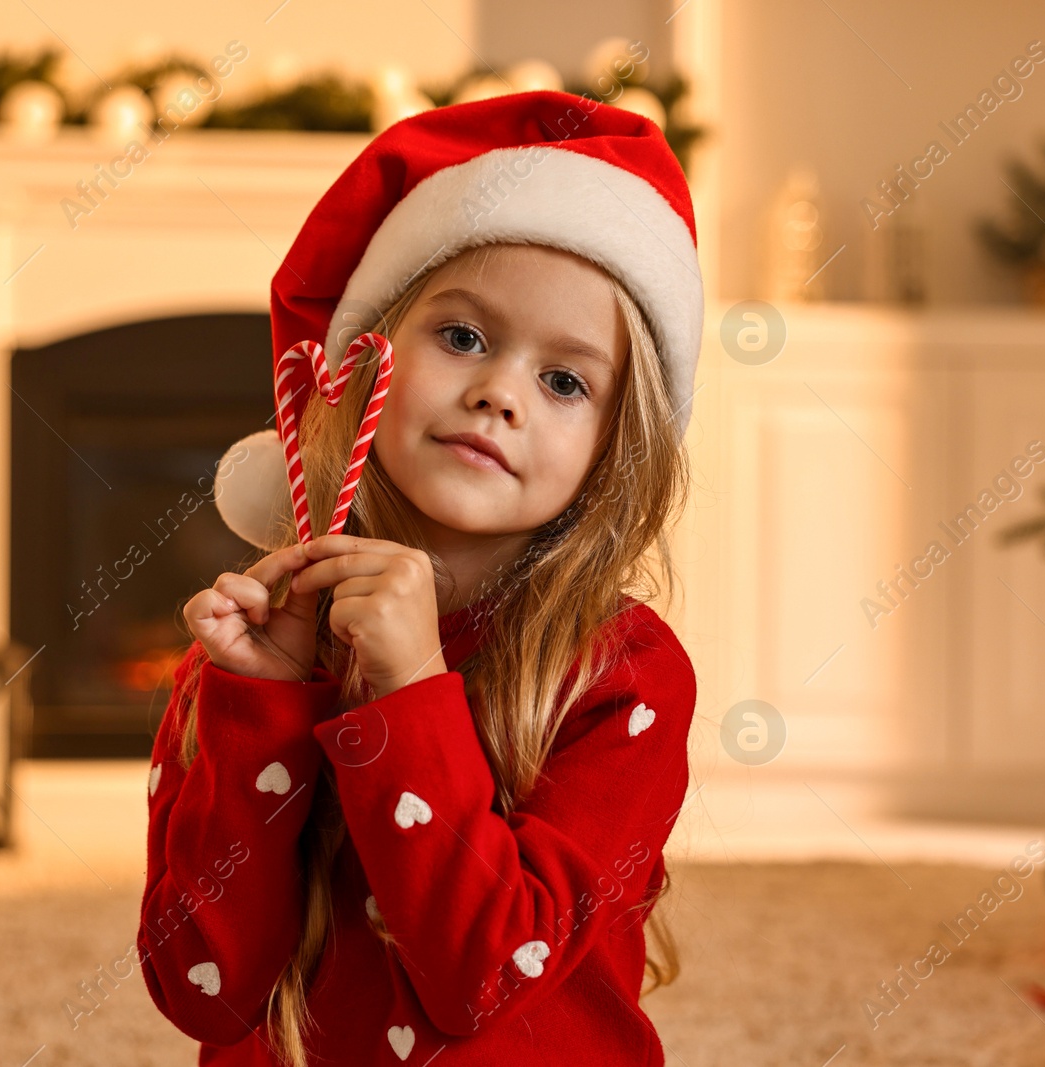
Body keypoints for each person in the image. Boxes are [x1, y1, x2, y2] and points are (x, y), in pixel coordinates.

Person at [138, 89, 704, 1066]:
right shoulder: (258, 640)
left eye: (564, 380)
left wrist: (408, 690)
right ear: (366, 364)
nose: (497, 392)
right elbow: (205, 990)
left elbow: (481, 973)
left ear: (614, 450)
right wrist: (261, 702)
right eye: (463, 337)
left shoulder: (626, 673)